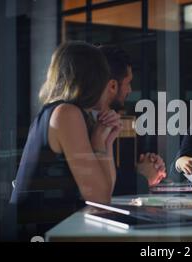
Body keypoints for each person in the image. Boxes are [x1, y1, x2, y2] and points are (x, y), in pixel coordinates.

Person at [10, 41, 122, 235]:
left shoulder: (68, 113)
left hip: (52, 230)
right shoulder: (66, 114)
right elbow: (100, 199)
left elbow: (106, 192)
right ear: (94, 80)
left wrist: (107, 138)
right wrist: (97, 141)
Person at [98, 45, 166, 195]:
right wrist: (142, 177)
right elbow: (104, 186)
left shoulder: (107, 120)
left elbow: (112, 175)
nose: (130, 90)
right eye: (128, 83)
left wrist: (144, 167)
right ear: (113, 85)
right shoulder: (88, 122)